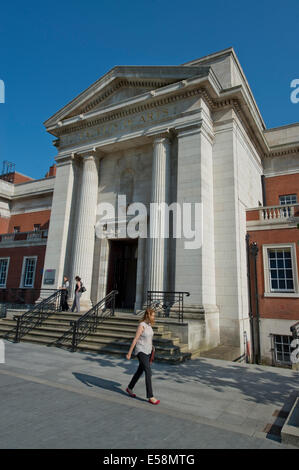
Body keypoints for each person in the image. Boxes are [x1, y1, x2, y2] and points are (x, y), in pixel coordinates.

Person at [126, 308, 160, 405]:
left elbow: (150, 338)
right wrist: (129, 353)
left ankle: (129, 388)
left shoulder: (149, 325)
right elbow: (136, 339)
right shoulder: (142, 325)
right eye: (153, 315)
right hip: (140, 350)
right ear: (148, 315)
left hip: (148, 351)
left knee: (140, 370)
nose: (154, 317)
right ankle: (150, 396)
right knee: (148, 372)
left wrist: (152, 348)